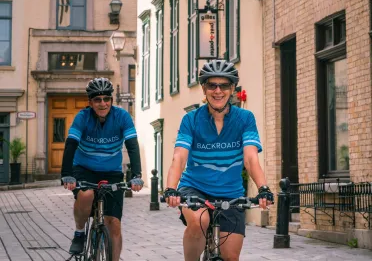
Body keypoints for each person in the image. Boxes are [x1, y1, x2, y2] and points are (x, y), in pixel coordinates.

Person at [163, 60, 274, 261]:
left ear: (232, 88)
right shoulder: (191, 119)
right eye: (212, 85)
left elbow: (250, 159)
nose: (218, 91)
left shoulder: (245, 118)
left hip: (230, 193)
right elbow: (179, 157)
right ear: (204, 89)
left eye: (223, 85)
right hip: (194, 188)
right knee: (198, 221)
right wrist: (171, 188)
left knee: (231, 257)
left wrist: (263, 188)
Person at [60, 77, 144, 261]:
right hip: (84, 168)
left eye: (106, 99)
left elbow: (132, 145)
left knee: (113, 223)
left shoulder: (122, 117)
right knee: (86, 194)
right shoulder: (82, 118)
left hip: (111, 172)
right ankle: (80, 232)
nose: (103, 103)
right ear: (90, 102)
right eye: (97, 100)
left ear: (112, 100)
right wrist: (66, 174)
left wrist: (136, 175)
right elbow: (71, 144)